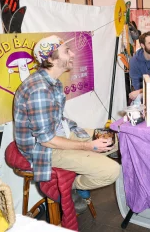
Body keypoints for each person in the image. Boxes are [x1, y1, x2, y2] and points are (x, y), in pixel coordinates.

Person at [14, 35, 120, 205]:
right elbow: (47, 141)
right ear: (50, 58)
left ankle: (83, 167)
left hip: (59, 134)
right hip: (43, 150)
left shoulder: (51, 81)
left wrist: (82, 140)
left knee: (116, 141)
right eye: (66, 51)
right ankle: (74, 186)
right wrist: (87, 146)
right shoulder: (39, 90)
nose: (73, 54)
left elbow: (55, 121)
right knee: (112, 171)